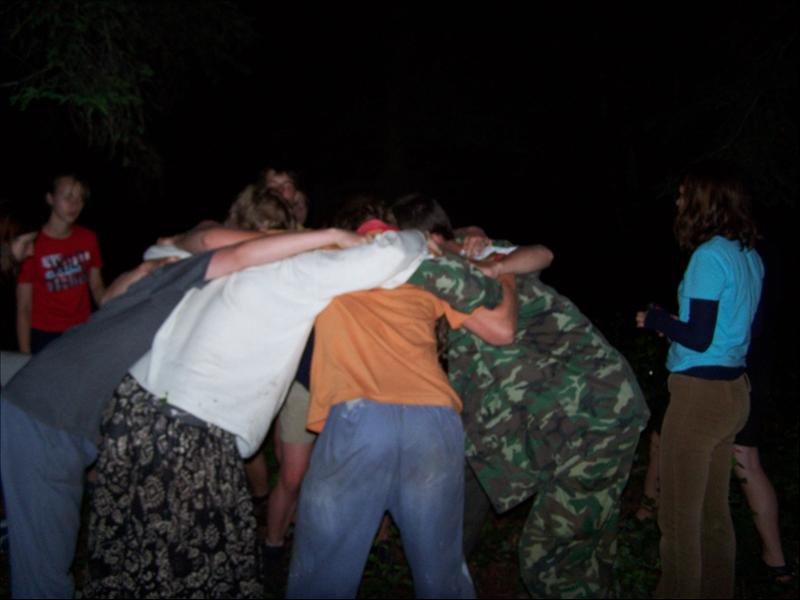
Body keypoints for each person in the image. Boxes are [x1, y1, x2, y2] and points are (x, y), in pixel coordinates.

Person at [81, 226, 428, 598]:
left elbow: (178, 246)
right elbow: (393, 254)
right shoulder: (295, 270)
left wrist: (180, 240)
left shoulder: (217, 261)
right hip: (187, 435)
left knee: (126, 554)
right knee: (198, 566)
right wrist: (420, 237)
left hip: (130, 413)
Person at [395, 194, 649, 598]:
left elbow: (508, 318)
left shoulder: (456, 268)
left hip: (591, 419)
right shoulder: (473, 251)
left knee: (547, 563)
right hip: (584, 419)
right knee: (588, 553)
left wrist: (494, 265)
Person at [286, 200, 518, 599]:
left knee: (323, 576)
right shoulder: (426, 264)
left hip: (358, 416)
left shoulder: (324, 253)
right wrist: (505, 273)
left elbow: (242, 249)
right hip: (433, 423)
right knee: (442, 576)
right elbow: (501, 330)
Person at [636, 160, 763, 598]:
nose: (678, 201)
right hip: (733, 392)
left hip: (699, 398)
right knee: (712, 515)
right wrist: (675, 324)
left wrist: (655, 319)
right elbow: (722, 331)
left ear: (704, 201)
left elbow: (699, 335)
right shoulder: (748, 256)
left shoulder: (708, 256)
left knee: (677, 520)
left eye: (684, 194)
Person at [16, 174, 105, 354]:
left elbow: (97, 286)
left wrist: (113, 312)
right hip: (45, 333)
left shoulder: (88, 238)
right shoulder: (30, 245)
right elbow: (24, 307)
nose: (75, 205)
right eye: (68, 197)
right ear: (50, 198)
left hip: (82, 328)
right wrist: (24, 355)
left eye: (80, 199)